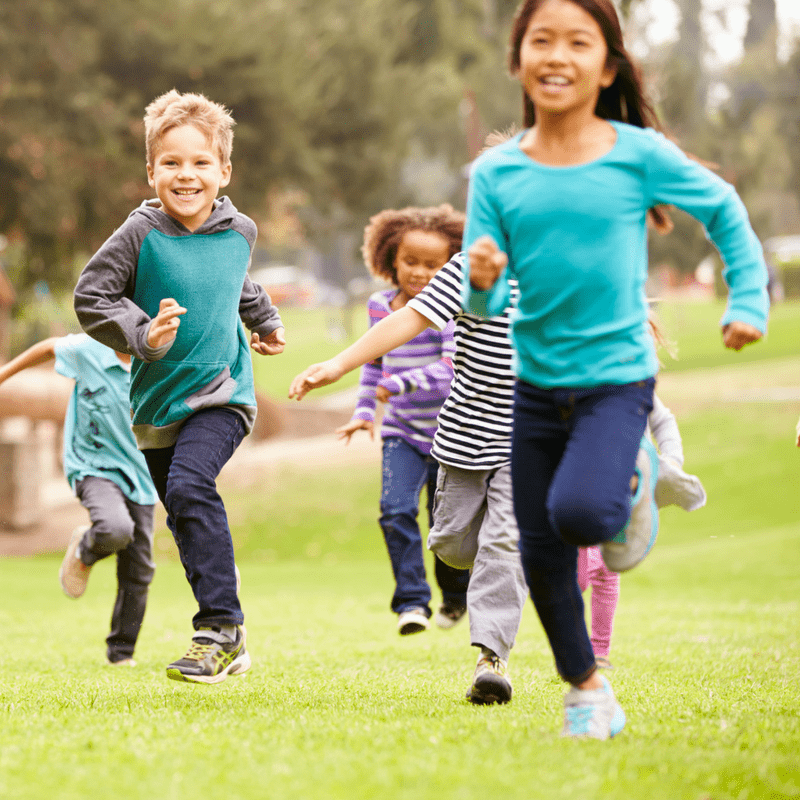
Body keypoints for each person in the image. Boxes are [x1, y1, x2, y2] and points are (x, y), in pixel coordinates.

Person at [463, 0, 768, 739]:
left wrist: (749, 298)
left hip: (615, 380)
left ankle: (633, 480)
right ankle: (586, 689)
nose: (557, 55)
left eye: (578, 42)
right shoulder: (497, 171)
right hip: (535, 383)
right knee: (540, 551)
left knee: (580, 516)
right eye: (541, 40)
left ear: (607, 66)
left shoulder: (636, 153)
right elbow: (487, 305)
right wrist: (482, 279)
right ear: (517, 60)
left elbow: (724, 210)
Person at [73, 89, 286, 684]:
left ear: (224, 171)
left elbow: (238, 283)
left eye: (199, 163)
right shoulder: (140, 232)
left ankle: (218, 629)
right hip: (155, 403)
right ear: (151, 171)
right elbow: (92, 296)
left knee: (193, 485)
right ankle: (229, 631)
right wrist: (144, 334)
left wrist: (264, 322)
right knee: (185, 515)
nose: (186, 175)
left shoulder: (238, 229)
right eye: (171, 162)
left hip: (223, 393)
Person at [290, 249, 528, 704]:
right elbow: (407, 320)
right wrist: (338, 366)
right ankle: (498, 567)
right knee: (454, 546)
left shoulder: (561, 271)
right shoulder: (471, 267)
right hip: (464, 437)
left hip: (525, 437)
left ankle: (490, 660)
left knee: (503, 543)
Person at [333, 205, 470, 636]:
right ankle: (412, 603)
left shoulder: (449, 311)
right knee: (395, 511)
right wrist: (363, 412)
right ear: (391, 257)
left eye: (434, 265)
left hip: (451, 434)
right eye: (412, 262)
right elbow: (374, 366)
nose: (421, 273)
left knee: (444, 527)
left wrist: (402, 384)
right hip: (402, 434)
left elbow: (453, 369)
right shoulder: (379, 307)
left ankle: (455, 595)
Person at [0, 334, 157, 667]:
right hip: (93, 466)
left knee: (139, 568)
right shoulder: (89, 351)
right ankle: (86, 550)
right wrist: (3, 375)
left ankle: (121, 653)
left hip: (142, 475)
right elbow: (44, 347)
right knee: (115, 528)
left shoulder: (158, 364)